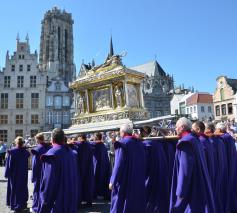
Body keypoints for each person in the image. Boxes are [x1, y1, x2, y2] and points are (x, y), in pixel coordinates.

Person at [169, 117, 215, 212]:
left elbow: (185, 169)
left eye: (176, 127)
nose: (175, 129)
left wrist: (180, 192)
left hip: (193, 185)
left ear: (182, 127)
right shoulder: (195, 139)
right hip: (198, 181)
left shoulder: (186, 142)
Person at [38, 128, 78, 213]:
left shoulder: (52, 154)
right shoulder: (71, 153)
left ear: (52, 139)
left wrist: (44, 203)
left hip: (58, 201)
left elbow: (48, 183)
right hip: (70, 199)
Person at [110, 123, 146, 213]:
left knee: (121, 203)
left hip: (125, 179)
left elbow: (118, 164)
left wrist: (113, 181)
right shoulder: (140, 143)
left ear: (122, 132)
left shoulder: (122, 144)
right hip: (138, 178)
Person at [141, 126, 169, 213]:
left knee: (150, 199)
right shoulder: (159, 143)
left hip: (151, 175)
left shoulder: (146, 144)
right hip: (161, 173)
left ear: (144, 133)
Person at [205, 122, 228, 212]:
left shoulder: (210, 141)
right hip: (220, 169)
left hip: (213, 171)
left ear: (209, 130)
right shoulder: (220, 140)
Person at [215, 122, 237, 212]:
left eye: (216, 129)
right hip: (232, 165)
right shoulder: (229, 137)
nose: (215, 131)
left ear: (220, 130)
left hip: (226, 166)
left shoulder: (222, 139)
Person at [5, 136, 30, 211]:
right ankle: (22, 204)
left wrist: (7, 173)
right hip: (23, 173)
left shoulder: (12, 152)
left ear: (16, 143)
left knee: (14, 189)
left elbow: (9, 164)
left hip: (14, 174)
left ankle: (14, 204)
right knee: (23, 188)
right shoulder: (26, 152)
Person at [30, 133, 51, 213]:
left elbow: (34, 164)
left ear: (38, 139)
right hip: (48, 172)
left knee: (37, 190)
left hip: (39, 173)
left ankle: (37, 207)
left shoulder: (37, 149)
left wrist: (33, 176)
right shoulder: (49, 147)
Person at [192, 121, 215, 188]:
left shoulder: (201, 140)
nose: (191, 130)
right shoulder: (208, 140)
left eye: (193, 128)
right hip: (211, 170)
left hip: (205, 172)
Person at [75, 133, 94, 207]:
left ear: (80, 137)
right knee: (88, 185)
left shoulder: (78, 145)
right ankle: (89, 202)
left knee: (79, 185)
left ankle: (79, 202)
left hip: (80, 167)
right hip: (89, 167)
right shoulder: (89, 145)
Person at [91, 132, 111, 200]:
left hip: (97, 166)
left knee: (96, 179)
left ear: (96, 138)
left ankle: (96, 194)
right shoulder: (103, 146)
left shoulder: (95, 145)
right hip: (103, 166)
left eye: (94, 137)